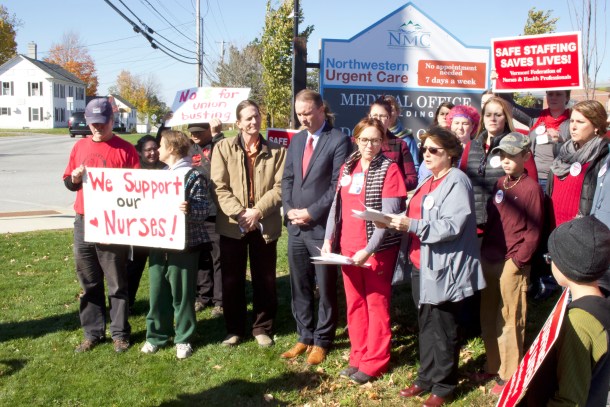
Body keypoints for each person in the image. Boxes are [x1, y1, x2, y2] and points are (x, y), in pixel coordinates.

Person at [394, 126, 485, 406]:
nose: (427, 153)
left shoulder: (456, 181)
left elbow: (451, 226)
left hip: (444, 268)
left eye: (434, 150)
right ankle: (425, 377)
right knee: (426, 323)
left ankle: (444, 386)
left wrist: (412, 225)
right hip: (421, 264)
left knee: (444, 327)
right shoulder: (428, 179)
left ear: (451, 154)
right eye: (425, 149)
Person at [321, 117, 407, 384]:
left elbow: (387, 218)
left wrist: (369, 250)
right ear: (355, 139)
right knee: (355, 304)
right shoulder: (349, 165)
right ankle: (358, 356)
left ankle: (375, 362)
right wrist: (328, 239)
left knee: (376, 305)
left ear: (383, 142)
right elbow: (336, 206)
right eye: (365, 139)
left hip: (376, 251)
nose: (370, 145)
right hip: (347, 248)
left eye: (376, 140)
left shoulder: (390, 169)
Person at [63, 97, 140, 353]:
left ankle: (120, 334)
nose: (97, 127)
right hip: (84, 221)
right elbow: (69, 182)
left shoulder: (125, 149)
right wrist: (75, 178)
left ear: (112, 120)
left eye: (102, 123)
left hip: (112, 223)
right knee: (89, 282)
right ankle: (92, 333)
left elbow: (137, 190)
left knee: (116, 282)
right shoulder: (79, 147)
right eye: (93, 123)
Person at [280, 90, 352, 365]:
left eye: (308, 113)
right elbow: (287, 178)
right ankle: (304, 335)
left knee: (325, 286)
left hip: (321, 228)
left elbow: (337, 185)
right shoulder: (298, 140)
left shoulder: (339, 140)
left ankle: (322, 340)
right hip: (296, 228)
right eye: (299, 114)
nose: (303, 119)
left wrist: (311, 212)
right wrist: (289, 209)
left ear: (321, 109)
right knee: (299, 285)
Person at [211, 100, 286, 347]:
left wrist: (257, 212)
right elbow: (218, 187)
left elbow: (280, 187)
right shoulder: (222, 148)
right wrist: (241, 214)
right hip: (232, 225)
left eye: (256, 116)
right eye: (248, 118)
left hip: (264, 224)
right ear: (238, 123)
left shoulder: (277, 151)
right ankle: (234, 329)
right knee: (232, 280)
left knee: (265, 279)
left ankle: (262, 327)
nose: (254, 121)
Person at [476, 133, 543, 395]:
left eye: (512, 155)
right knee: (488, 315)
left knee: (510, 317)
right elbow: (492, 220)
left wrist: (518, 261)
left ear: (526, 156)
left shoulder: (532, 189)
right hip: (490, 257)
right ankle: (493, 364)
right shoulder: (500, 184)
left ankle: (510, 373)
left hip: (512, 262)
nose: (505, 160)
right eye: (502, 155)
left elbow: (534, 231)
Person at [518, 216, 610, 406]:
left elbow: (569, 401)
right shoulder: (603, 301)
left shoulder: (578, 325)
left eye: (550, 258)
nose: (549, 262)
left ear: (565, 268)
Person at [140, 130, 210, 359]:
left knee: (182, 294)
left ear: (171, 149)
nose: (157, 150)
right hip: (158, 243)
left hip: (184, 245)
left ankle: (183, 337)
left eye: (160, 145)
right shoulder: (161, 175)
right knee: (157, 291)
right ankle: (156, 335)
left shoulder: (194, 175)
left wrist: (188, 209)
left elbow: (203, 211)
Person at [460, 96, 538, 230]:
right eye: (488, 115)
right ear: (483, 119)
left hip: (505, 226)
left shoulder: (519, 146)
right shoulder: (471, 146)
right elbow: (462, 183)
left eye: (498, 115)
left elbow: (531, 186)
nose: (492, 119)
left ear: (506, 118)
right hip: (473, 225)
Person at [547, 100, 609, 228]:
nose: (573, 127)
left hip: (580, 232)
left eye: (580, 122)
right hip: (553, 228)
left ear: (596, 126)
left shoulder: (603, 158)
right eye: (571, 121)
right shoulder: (563, 152)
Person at [188, 119, 225, 318]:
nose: (195, 135)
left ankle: (220, 301)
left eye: (200, 131)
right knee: (200, 257)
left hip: (214, 211)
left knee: (218, 258)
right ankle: (203, 296)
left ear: (209, 130)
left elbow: (224, 158)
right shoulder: (188, 148)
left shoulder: (218, 144)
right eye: (192, 131)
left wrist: (217, 135)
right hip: (195, 211)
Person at [126, 135, 165, 310]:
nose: (153, 153)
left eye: (155, 149)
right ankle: (128, 302)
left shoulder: (166, 169)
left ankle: (162, 303)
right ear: (140, 152)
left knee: (161, 268)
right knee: (134, 268)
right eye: (148, 150)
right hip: (139, 229)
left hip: (160, 228)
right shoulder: (133, 171)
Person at [506, 90, 572, 191]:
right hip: (532, 177)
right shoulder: (536, 116)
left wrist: (561, 140)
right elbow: (511, 107)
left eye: (558, 94)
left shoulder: (573, 120)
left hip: (558, 179)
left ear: (567, 98)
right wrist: (500, 84)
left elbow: (577, 149)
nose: (553, 97)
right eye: (550, 94)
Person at [368, 98, 418, 191]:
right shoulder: (357, 142)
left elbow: (412, 179)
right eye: (374, 115)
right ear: (369, 117)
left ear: (389, 118)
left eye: (382, 116)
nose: (378, 119)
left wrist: (393, 186)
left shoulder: (400, 145)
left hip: (390, 196)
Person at [384, 95, 420, 172]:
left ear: (398, 112)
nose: (388, 113)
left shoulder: (407, 138)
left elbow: (415, 166)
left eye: (391, 110)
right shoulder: (375, 136)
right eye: (385, 110)